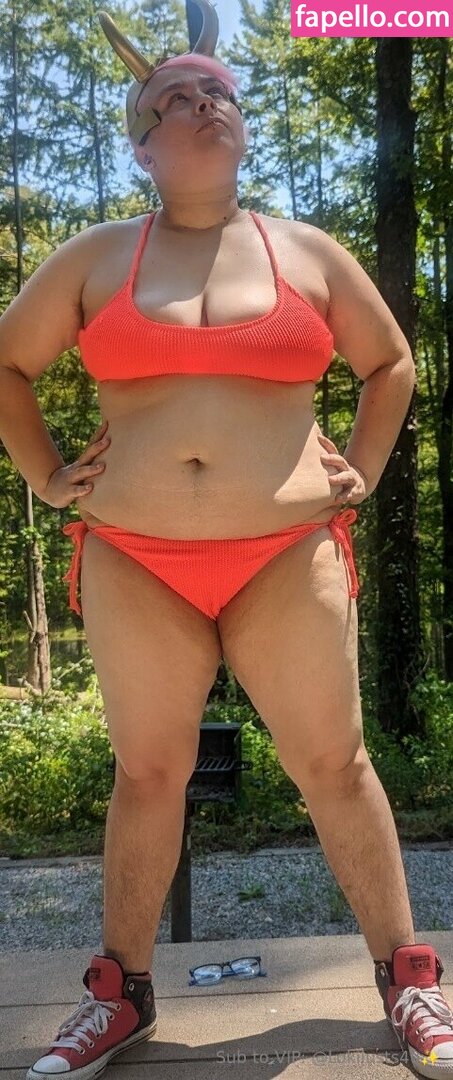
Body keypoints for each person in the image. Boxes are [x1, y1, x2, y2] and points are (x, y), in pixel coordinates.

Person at [0, 1, 451, 1076]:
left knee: (334, 764)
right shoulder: (96, 256)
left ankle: (409, 984)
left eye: (218, 93)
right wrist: (45, 473)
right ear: (142, 144)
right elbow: (7, 364)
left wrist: (366, 464)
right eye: (176, 97)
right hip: (136, 555)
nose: (204, 104)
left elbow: (391, 363)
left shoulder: (306, 251)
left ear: (241, 126)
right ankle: (120, 995)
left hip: (285, 552)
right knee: (148, 772)